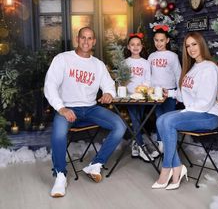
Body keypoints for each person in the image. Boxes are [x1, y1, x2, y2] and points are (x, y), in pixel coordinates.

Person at [44, 27, 126, 197]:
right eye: (83, 38)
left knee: (120, 126)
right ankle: (60, 174)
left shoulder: (98, 65)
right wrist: (62, 108)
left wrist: (109, 94)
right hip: (67, 108)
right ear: (77, 39)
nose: (86, 41)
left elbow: (109, 85)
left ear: (94, 41)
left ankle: (96, 164)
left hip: (90, 108)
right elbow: (50, 85)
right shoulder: (63, 59)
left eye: (90, 38)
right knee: (59, 133)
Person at [151, 32, 218, 190]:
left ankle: (166, 169)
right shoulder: (192, 68)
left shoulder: (210, 68)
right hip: (194, 112)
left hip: (208, 116)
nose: (191, 49)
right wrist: (168, 93)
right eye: (188, 46)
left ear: (201, 44)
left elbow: (206, 102)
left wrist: (184, 112)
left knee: (167, 120)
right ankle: (177, 167)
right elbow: (183, 95)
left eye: (194, 44)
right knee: (161, 119)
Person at [147, 25, 182, 156]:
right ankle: (160, 145)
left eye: (162, 40)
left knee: (169, 120)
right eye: (156, 40)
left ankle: (170, 147)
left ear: (167, 40)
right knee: (158, 119)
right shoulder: (151, 56)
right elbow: (149, 75)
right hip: (155, 93)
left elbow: (178, 74)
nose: (159, 43)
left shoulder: (172, 56)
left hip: (170, 91)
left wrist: (178, 93)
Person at [124, 33, 154, 162]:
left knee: (139, 121)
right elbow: (121, 80)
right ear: (128, 47)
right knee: (136, 120)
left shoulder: (145, 63)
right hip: (129, 97)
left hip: (142, 96)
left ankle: (135, 146)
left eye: (138, 44)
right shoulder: (124, 63)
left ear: (142, 47)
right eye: (132, 45)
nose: (135, 47)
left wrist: (143, 88)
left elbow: (148, 79)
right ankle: (141, 147)